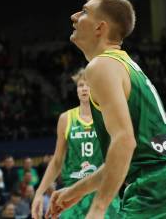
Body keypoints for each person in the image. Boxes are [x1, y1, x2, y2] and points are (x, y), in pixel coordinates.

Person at [49, 0, 166, 218]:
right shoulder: (124, 64)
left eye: (85, 12)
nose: (74, 16)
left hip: (154, 189)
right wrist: (75, 192)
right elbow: (121, 161)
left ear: (100, 27)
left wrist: (98, 208)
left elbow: (125, 141)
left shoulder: (102, 65)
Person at [31, 69, 120, 219]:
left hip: (102, 188)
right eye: (80, 85)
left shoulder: (107, 115)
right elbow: (57, 161)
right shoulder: (66, 118)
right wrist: (39, 193)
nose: (84, 88)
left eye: (88, 85)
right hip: (72, 191)